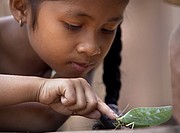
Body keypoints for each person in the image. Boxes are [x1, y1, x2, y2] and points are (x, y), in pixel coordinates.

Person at [0, 0, 129, 132]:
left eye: (108, 29)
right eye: (74, 25)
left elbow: (42, 119)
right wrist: (39, 89)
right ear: (21, 7)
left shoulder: (80, 59)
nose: (92, 48)